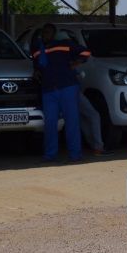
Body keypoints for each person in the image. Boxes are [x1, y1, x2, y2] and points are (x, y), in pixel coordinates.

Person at [32, 23, 91, 162]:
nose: (45, 34)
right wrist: (36, 72)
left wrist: (76, 63)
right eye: (43, 32)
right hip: (48, 90)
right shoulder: (37, 48)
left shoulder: (64, 44)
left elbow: (86, 53)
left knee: (72, 122)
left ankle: (75, 154)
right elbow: (36, 65)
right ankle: (50, 154)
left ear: (54, 34)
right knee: (50, 123)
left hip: (68, 87)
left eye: (48, 32)